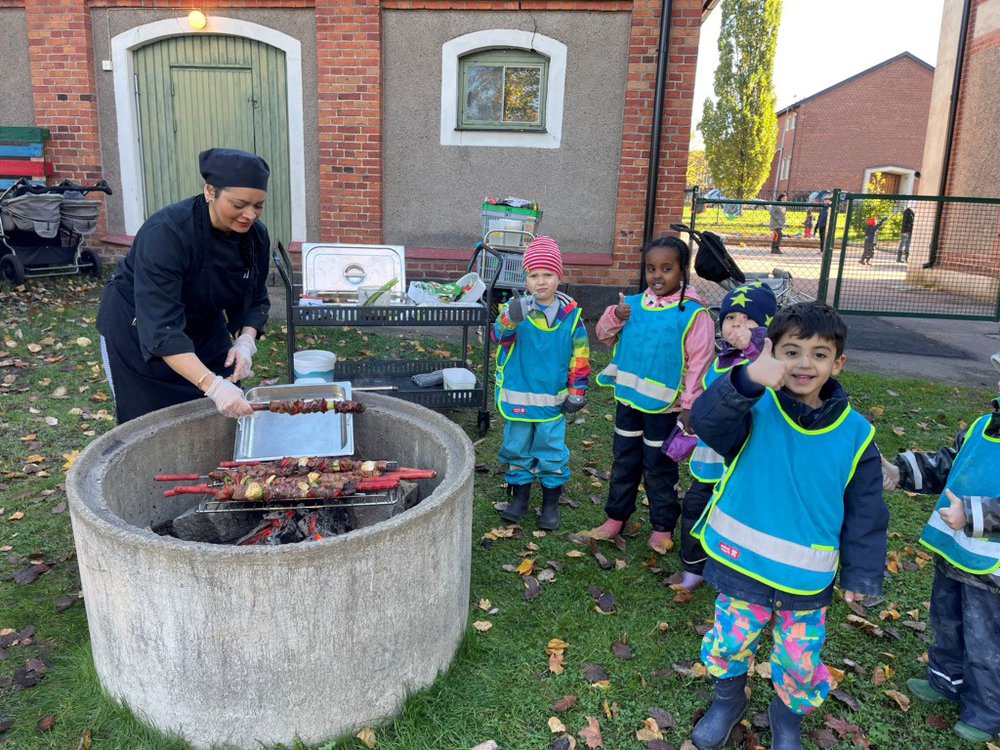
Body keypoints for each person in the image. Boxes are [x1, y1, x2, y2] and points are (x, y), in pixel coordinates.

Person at [687, 302, 888, 750]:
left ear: (838, 364)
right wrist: (744, 381)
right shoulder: (753, 407)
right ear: (771, 354)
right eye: (791, 351)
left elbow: (867, 512)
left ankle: (787, 717)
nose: (803, 363)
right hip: (742, 564)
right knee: (730, 641)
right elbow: (704, 421)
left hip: (806, 577)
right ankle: (728, 701)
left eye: (819, 354)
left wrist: (862, 573)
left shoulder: (857, 435)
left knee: (800, 659)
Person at [97, 148, 271, 424]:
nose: (249, 215)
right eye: (238, 205)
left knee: (222, 417)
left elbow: (255, 299)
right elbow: (161, 329)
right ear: (210, 191)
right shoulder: (166, 234)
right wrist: (211, 385)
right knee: (149, 425)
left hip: (203, 327)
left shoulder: (255, 237)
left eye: (258, 205)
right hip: (140, 330)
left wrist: (245, 341)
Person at [882, 371, 1000, 745]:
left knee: (986, 640)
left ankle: (986, 711)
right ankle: (946, 680)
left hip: (992, 569)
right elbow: (949, 463)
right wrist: (899, 471)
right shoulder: (983, 425)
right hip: (955, 553)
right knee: (947, 620)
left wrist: (973, 513)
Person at [589, 236, 715, 554]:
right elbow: (603, 336)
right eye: (651, 268)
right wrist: (616, 316)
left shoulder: (694, 315)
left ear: (682, 271)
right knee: (624, 460)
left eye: (667, 268)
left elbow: (700, 363)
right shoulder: (630, 306)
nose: (657, 276)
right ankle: (616, 517)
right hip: (630, 403)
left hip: (667, 408)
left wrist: (689, 406)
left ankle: (662, 526)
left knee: (659, 467)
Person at [674, 283, 777, 592]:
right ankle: (693, 567)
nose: (738, 327)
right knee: (695, 508)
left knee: (739, 519)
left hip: (743, 464)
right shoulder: (720, 361)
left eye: (749, 321)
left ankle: (736, 570)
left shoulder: (764, 362)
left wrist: (753, 345)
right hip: (709, 459)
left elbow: (764, 355)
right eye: (731, 318)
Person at [494, 236, 590, 530]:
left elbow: (581, 357)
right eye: (534, 275)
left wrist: (577, 391)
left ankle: (550, 503)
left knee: (551, 448)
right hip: (519, 397)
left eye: (547, 275)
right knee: (517, 446)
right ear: (525, 278)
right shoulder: (515, 310)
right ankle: (520, 498)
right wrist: (509, 318)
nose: (541, 282)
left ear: (559, 276)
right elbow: (499, 337)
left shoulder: (572, 318)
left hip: (552, 400)